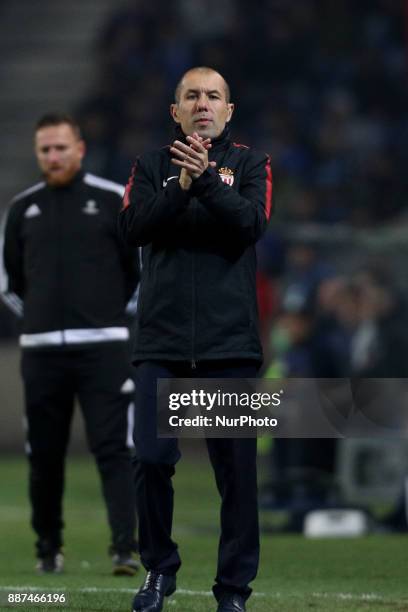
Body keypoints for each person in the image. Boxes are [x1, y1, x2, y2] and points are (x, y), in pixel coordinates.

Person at [119, 67, 272, 612]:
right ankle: (159, 571)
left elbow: (250, 224)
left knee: (236, 473)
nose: (202, 103)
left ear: (228, 111)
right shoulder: (150, 166)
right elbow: (134, 229)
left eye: (213, 96)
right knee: (152, 460)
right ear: (175, 110)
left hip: (227, 344)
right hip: (160, 343)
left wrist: (205, 179)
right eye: (192, 95)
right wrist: (183, 186)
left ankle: (232, 591)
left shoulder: (252, 164)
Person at [0, 113, 140, 575]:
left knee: (115, 447)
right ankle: (48, 550)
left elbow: (137, 273)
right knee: (43, 453)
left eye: (61, 147)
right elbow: (10, 283)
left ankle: (125, 548)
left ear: (80, 148)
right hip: (41, 352)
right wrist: (40, 320)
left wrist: (107, 318)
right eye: (45, 150)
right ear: (38, 154)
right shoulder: (22, 210)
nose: (53, 157)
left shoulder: (113, 199)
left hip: (104, 348)